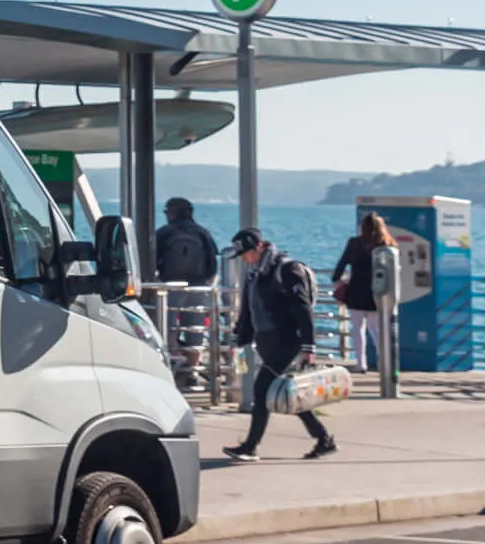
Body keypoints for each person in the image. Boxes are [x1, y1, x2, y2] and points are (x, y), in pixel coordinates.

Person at [225, 227, 335, 462]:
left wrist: (309, 346)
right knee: (288, 392)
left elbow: (302, 308)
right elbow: (248, 310)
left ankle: (250, 446)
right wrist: (239, 340)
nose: (245, 259)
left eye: (247, 254)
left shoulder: (286, 269)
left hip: (288, 341)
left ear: (260, 247)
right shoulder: (254, 273)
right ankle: (323, 439)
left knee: (262, 389)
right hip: (267, 341)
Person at [333, 213, 396, 375]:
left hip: (356, 291)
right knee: (376, 329)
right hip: (379, 292)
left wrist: (338, 280)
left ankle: (361, 363)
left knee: (357, 328)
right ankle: (384, 363)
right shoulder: (387, 245)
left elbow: (340, 266)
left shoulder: (354, 243)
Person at [152, 197, 218, 286]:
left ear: (171, 214)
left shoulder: (163, 233)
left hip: (168, 286)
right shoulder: (203, 233)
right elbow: (212, 265)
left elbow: (151, 261)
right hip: (198, 287)